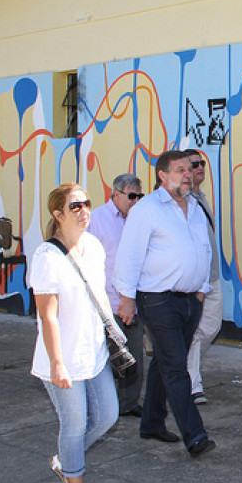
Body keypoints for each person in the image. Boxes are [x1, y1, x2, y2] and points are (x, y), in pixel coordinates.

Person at [113, 150, 216, 456]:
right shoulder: (147, 208)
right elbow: (128, 254)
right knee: (175, 366)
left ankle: (152, 423)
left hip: (190, 300)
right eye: (181, 169)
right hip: (157, 300)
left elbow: (203, 249)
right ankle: (195, 435)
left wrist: (201, 289)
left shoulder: (195, 207)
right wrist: (127, 298)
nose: (188, 173)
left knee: (163, 361)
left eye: (190, 169)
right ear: (163, 175)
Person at [29, 183, 119, 483]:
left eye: (86, 204)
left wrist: (115, 330)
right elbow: (48, 315)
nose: (83, 211)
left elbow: (99, 293)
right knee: (74, 425)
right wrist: (57, 364)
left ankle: (64, 462)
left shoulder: (93, 245)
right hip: (63, 357)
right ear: (58, 214)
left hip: (93, 351)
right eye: (74, 206)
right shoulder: (46, 257)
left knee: (108, 416)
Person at [87, 173, 145, 416]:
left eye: (139, 196)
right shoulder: (97, 220)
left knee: (134, 359)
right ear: (116, 194)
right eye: (131, 196)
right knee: (107, 360)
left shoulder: (140, 221)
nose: (135, 201)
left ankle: (129, 404)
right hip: (105, 302)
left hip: (132, 302)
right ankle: (105, 406)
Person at [183, 149, 224, 405]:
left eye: (202, 164)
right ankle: (192, 383)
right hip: (195, 278)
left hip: (213, 274)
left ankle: (184, 365)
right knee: (195, 332)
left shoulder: (202, 197)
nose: (200, 168)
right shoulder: (184, 200)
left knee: (210, 326)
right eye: (194, 165)